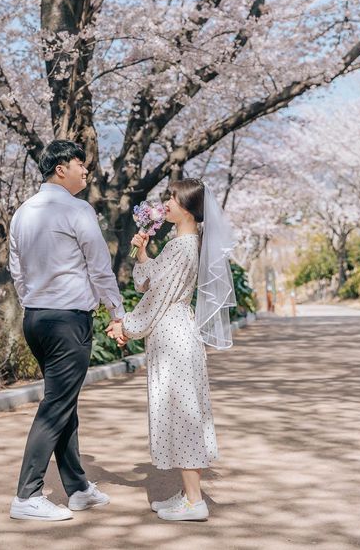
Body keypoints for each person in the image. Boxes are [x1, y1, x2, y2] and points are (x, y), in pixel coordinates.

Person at [8, 139, 126, 521]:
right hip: (67, 320)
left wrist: (34, 301)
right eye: (81, 165)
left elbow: (17, 270)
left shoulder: (22, 212)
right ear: (61, 168)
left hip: (36, 318)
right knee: (57, 404)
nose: (86, 172)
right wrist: (118, 311)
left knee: (64, 402)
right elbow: (99, 266)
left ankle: (76, 488)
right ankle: (27, 495)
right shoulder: (78, 210)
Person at [107, 178, 236, 522]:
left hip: (172, 334)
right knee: (180, 411)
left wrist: (125, 326)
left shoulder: (183, 246)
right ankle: (187, 494)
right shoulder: (179, 243)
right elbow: (149, 281)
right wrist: (144, 251)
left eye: (173, 199)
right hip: (172, 333)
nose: (166, 204)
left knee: (183, 414)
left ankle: (195, 502)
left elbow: (156, 298)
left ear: (189, 210)